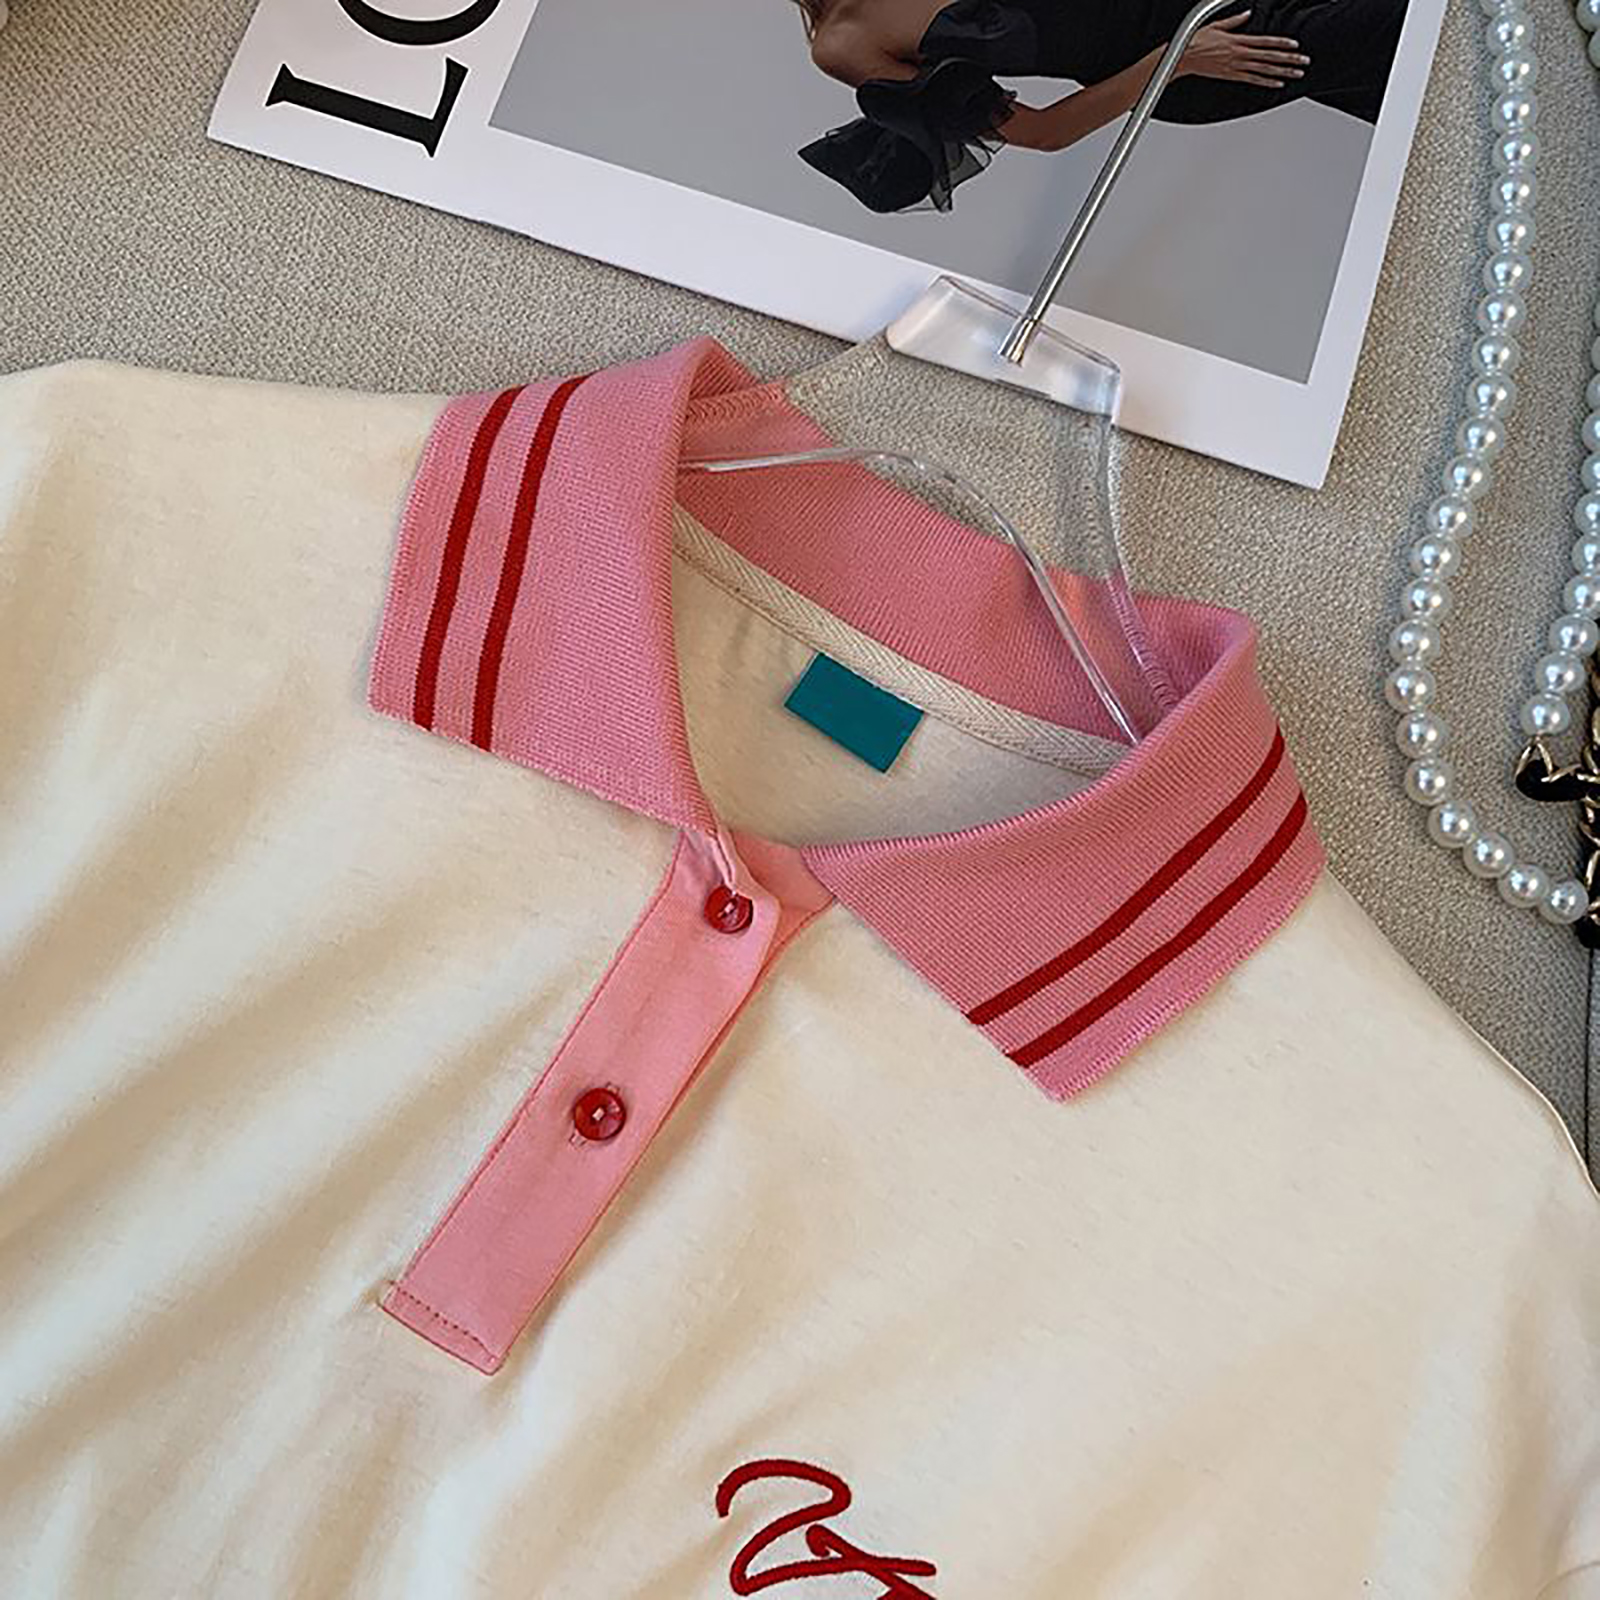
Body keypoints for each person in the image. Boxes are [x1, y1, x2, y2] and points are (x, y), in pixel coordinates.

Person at [795, 0, 1407, 212]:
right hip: (1196, 58)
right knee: (1414, 31)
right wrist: (1178, 57)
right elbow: (1044, 132)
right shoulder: (845, 43)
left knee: (1410, 93)